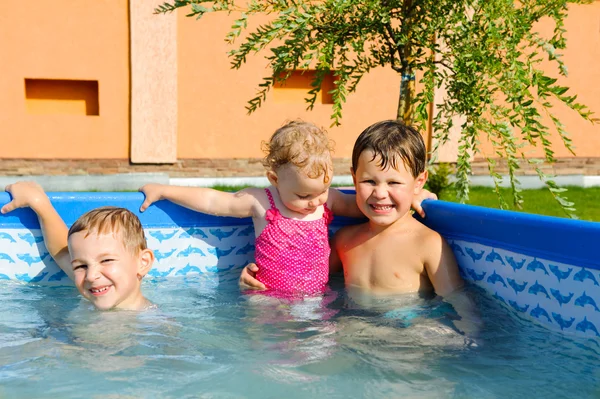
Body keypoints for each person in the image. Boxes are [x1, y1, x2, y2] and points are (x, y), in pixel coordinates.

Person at [140, 120, 435, 296]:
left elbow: (367, 204)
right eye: (304, 195)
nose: (316, 201)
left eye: (322, 190)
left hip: (315, 302)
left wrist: (411, 195)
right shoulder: (262, 202)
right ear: (274, 180)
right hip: (267, 298)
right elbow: (215, 201)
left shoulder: (327, 199)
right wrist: (165, 190)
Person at [241, 120, 479, 336]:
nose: (380, 193)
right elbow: (304, 281)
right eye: (369, 181)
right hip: (352, 332)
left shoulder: (428, 244)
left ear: (418, 182)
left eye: (394, 182)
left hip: (407, 333)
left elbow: (457, 300)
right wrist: (258, 283)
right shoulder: (346, 240)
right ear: (354, 179)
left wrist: (469, 337)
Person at [1, 181, 155, 311]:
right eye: (80, 266)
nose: (90, 275)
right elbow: (61, 251)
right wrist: (38, 202)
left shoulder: (154, 324)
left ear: (143, 262)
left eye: (106, 260)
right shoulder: (95, 284)